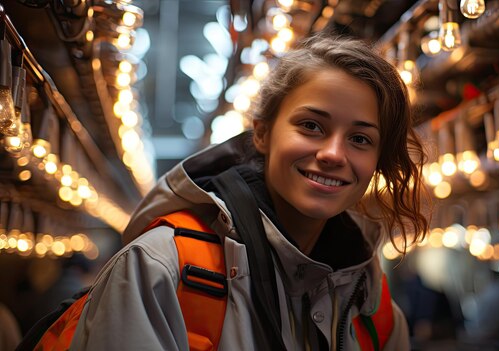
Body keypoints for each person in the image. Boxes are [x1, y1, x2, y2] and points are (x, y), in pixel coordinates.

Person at [69, 33, 429, 350]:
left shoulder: (368, 296)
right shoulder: (160, 268)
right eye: (311, 125)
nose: (333, 154)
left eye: (360, 139)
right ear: (262, 134)